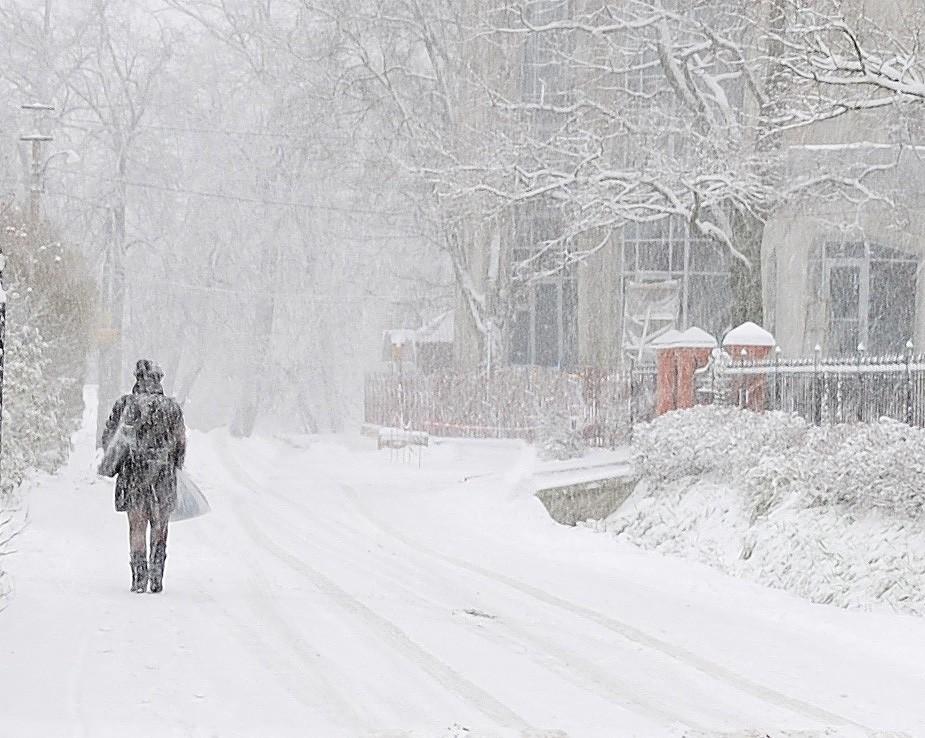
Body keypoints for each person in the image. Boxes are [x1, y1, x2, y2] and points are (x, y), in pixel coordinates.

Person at [102, 360, 186, 593]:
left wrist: (119, 460)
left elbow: (109, 438)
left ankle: (139, 576)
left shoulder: (125, 405)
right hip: (163, 475)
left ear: (137, 379)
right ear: (159, 381)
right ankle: (157, 575)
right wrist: (174, 463)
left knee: (136, 525)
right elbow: (180, 444)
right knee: (160, 526)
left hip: (133, 474)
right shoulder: (172, 408)